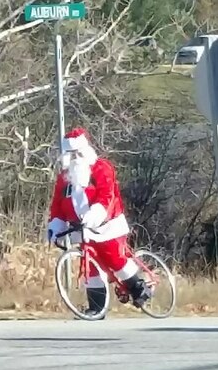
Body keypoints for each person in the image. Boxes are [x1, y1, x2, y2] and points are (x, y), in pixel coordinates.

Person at [46, 127, 153, 316]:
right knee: (91, 267)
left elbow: (107, 196)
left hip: (108, 226)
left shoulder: (102, 168)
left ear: (86, 150)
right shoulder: (64, 179)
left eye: (78, 152)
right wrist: (56, 226)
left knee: (114, 257)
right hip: (82, 230)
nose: (75, 157)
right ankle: (96, 308)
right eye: (71, 154)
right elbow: (57, 204)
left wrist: (95, 214)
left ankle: (139, 287)